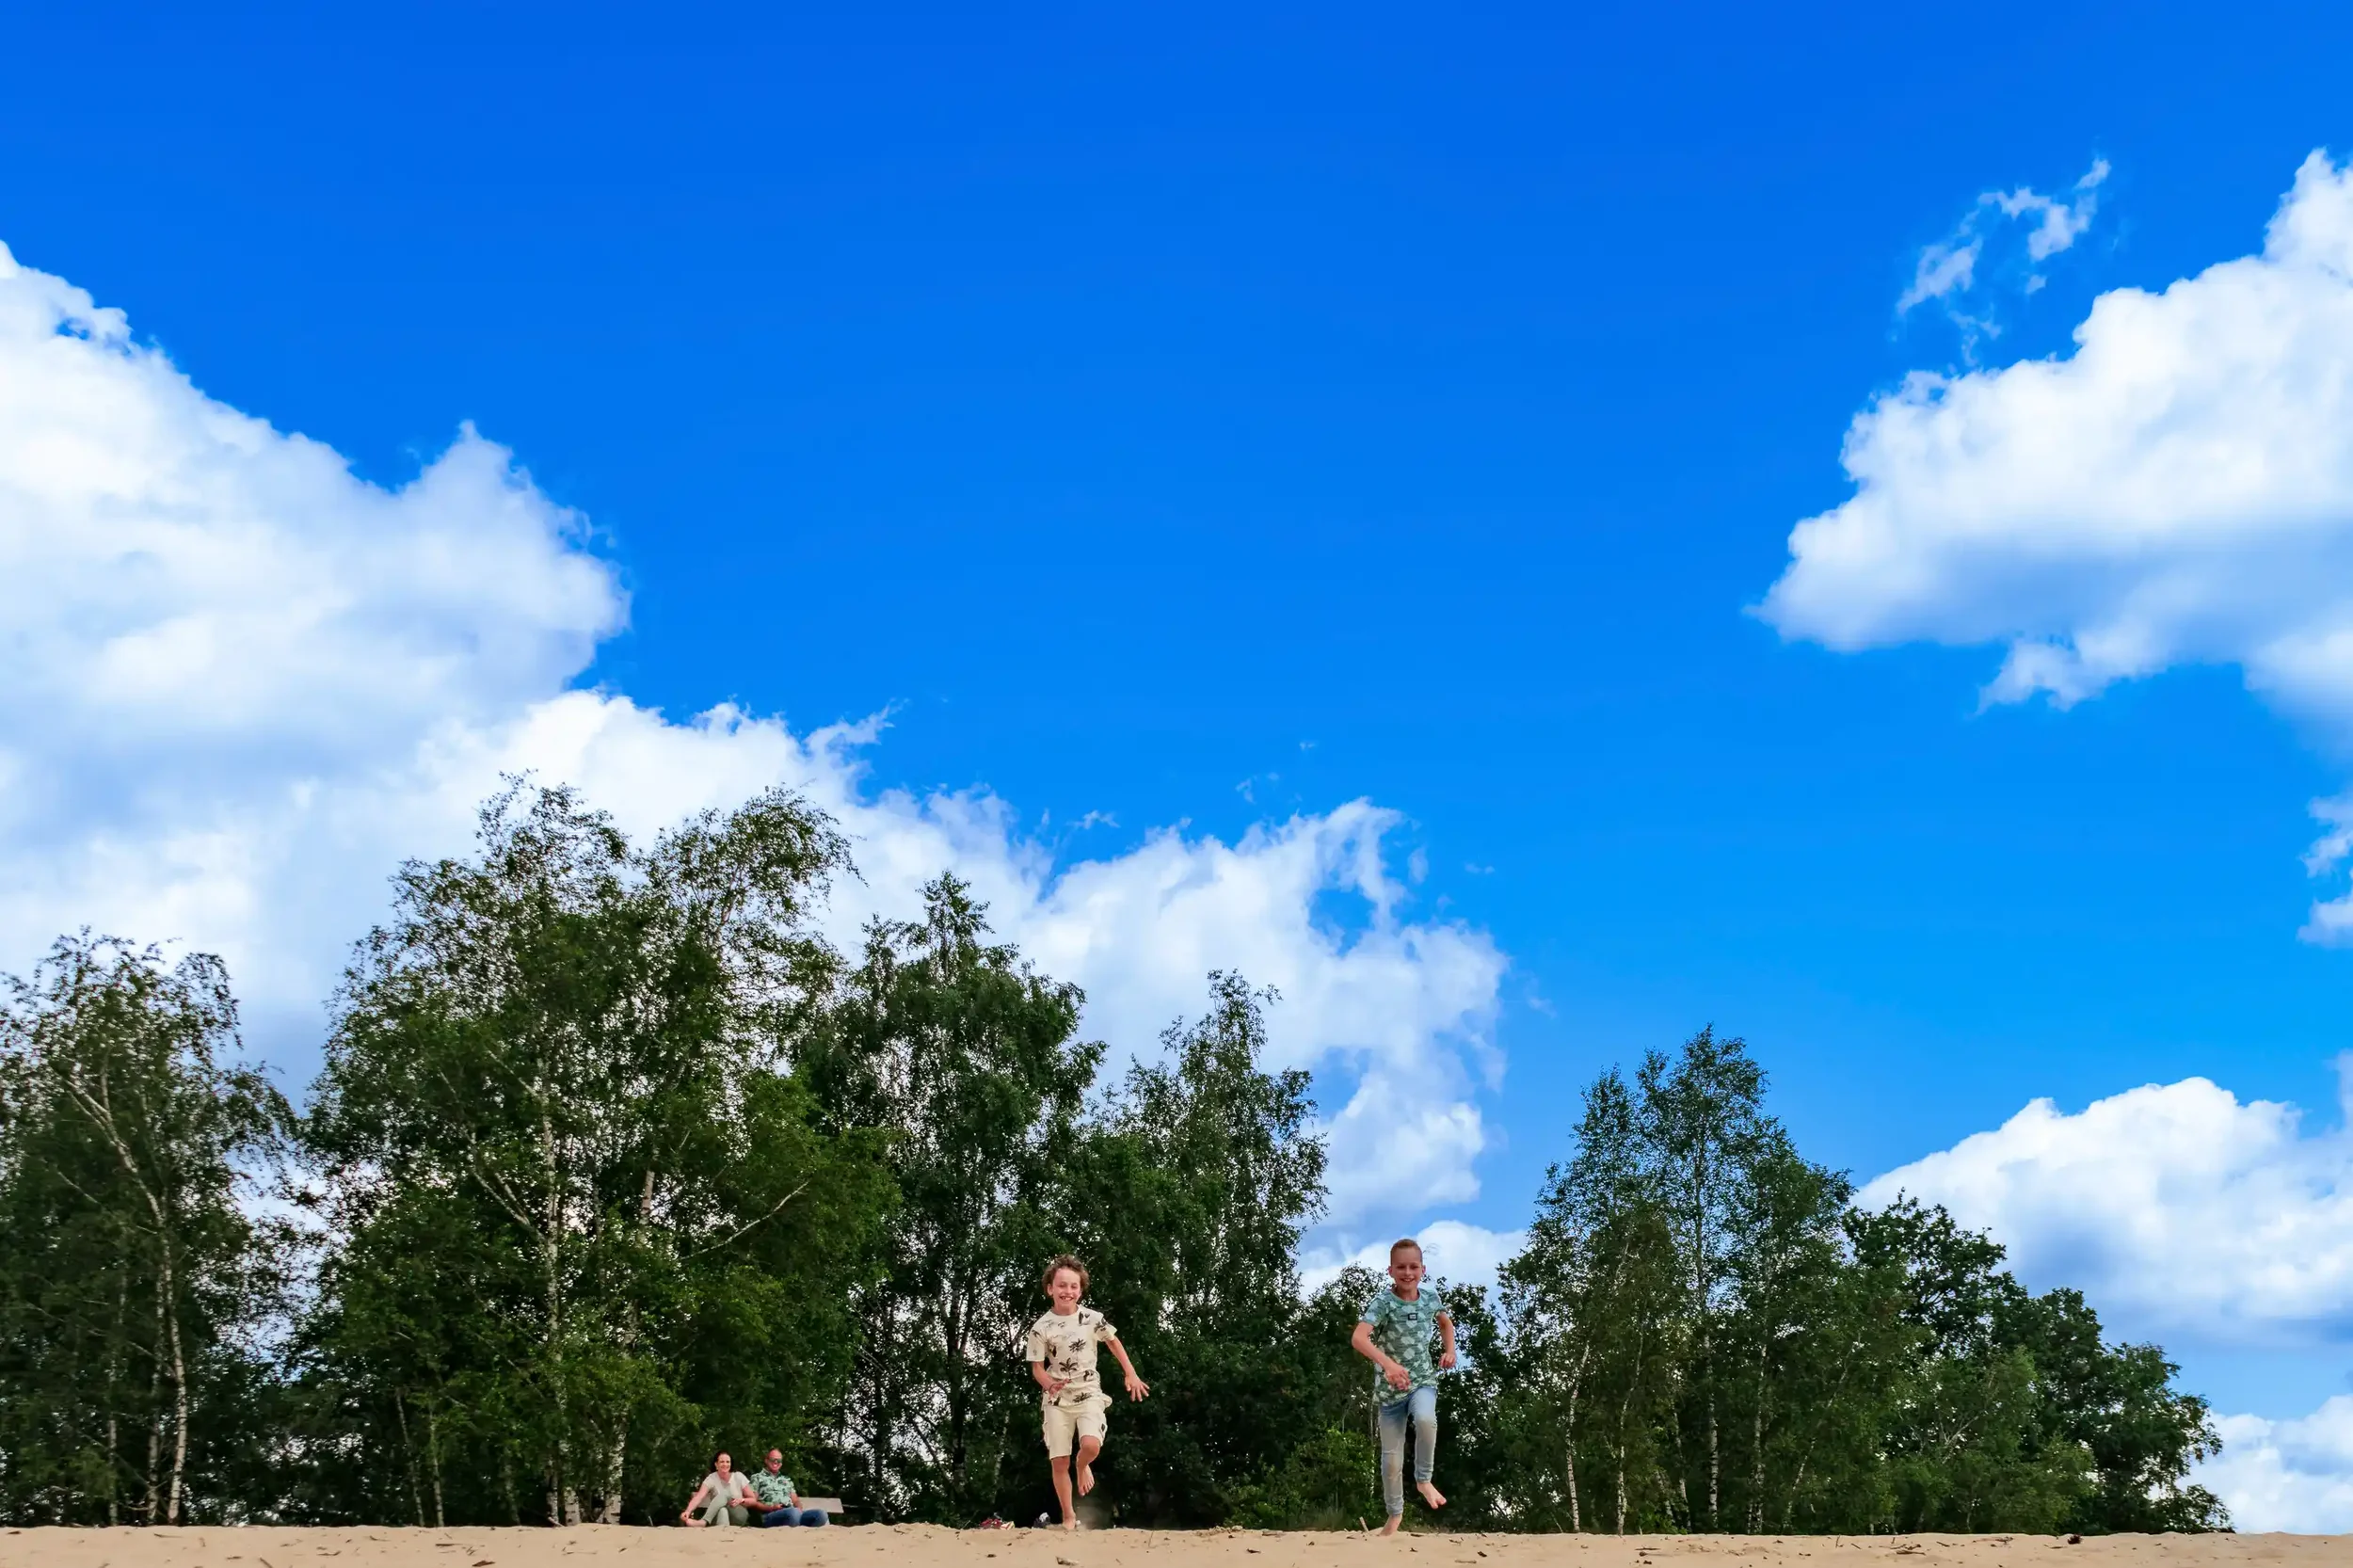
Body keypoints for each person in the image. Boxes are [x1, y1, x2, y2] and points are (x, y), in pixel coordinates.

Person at [1026, 1254, 1149, 1530]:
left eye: (1073, 1286)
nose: (1067, 1291)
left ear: (1080, 1290)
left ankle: (1083, 1466)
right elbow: (1037, 1368)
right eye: (1061, 1286)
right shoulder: (1040, 1328)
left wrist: (1131, 1373)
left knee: (1091, 1446)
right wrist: (1048, 1384)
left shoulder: (1093, 1318)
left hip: (1089, 1393)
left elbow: (1114, 1343)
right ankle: (1069, 1517)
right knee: (1059, 1460)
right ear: (1050, 1289)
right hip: (1057, 1399)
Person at [1350, 1237, 1456, 1535]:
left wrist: (1450, 1351)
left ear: (1423, 1269)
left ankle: (1424, 1480)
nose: (1407, 1272)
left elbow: (1446, 1324)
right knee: (1391, 1461)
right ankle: (1394, 1515)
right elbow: (1359, 1338)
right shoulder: (1383, 1303)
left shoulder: (1430, 1298)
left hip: (1422, 1379)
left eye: (1413, 1267)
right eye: (1401, 1267)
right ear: (1390, 1271)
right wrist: (1389, 1365)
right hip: (1389, 1393)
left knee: (1425, 1418)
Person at [744, 1448, 828, 1527]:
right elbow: (753, 1502)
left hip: (792, 1513)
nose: (776, 1462)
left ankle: (807, 1539)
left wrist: (799, 1508)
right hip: (770, 1515)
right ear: (766, 1460)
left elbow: (795, 1500)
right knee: (793, 1513)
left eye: (779, 1460)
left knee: (821, 1514)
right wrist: (771, 1508)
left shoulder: (787, 1479)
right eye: (773, 1459)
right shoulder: (757, 1477)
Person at [680, 1450, 756, 1527]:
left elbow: (753, 1500)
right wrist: (688, 1511)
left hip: (738, 1514)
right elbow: (699, 1497)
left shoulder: (739, 1476)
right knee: (722, 1510)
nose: (725, 1464)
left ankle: (704, 1521)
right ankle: (723, 1534)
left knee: (725, 1494)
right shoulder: (711, 1478)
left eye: (728, 1462)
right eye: (722, 1462)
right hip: (717, 1517)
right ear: (716, 1464)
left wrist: (741, 1500)